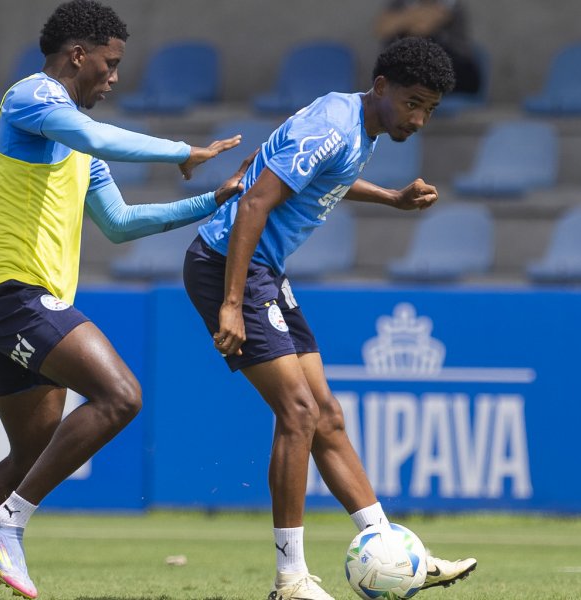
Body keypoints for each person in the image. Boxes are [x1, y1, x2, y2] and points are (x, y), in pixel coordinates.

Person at [0, 1, 244, 599]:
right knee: (121, 396)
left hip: (24, 298)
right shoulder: (30, 98)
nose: (115, 76)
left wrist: (210, 201)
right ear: (78, 55)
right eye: (110, 62)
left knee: (30, 454)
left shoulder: (81, 145)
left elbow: (122, 223)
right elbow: (91, 132)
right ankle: (7, 522)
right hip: (8, 291)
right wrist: (182, 150)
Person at [181, 36, 477, 600]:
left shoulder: (353, 123)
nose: (418, 119)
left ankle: (388, 546)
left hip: (263, 270)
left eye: (429, 110)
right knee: (297, 411)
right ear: (382, 87)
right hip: (228, 265)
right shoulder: (334, 126)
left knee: (327, 416)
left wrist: (391, 198)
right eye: (413, 103)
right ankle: (289, 579)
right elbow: (254, 204)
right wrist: (229, 302)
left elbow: (325, 180)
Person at [374, 0, 482, 94]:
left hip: (456, 70)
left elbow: (422, 28)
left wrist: (402, 19)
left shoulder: (451, 4)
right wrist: (415, 16)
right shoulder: (401, 3)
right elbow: (381, 28)